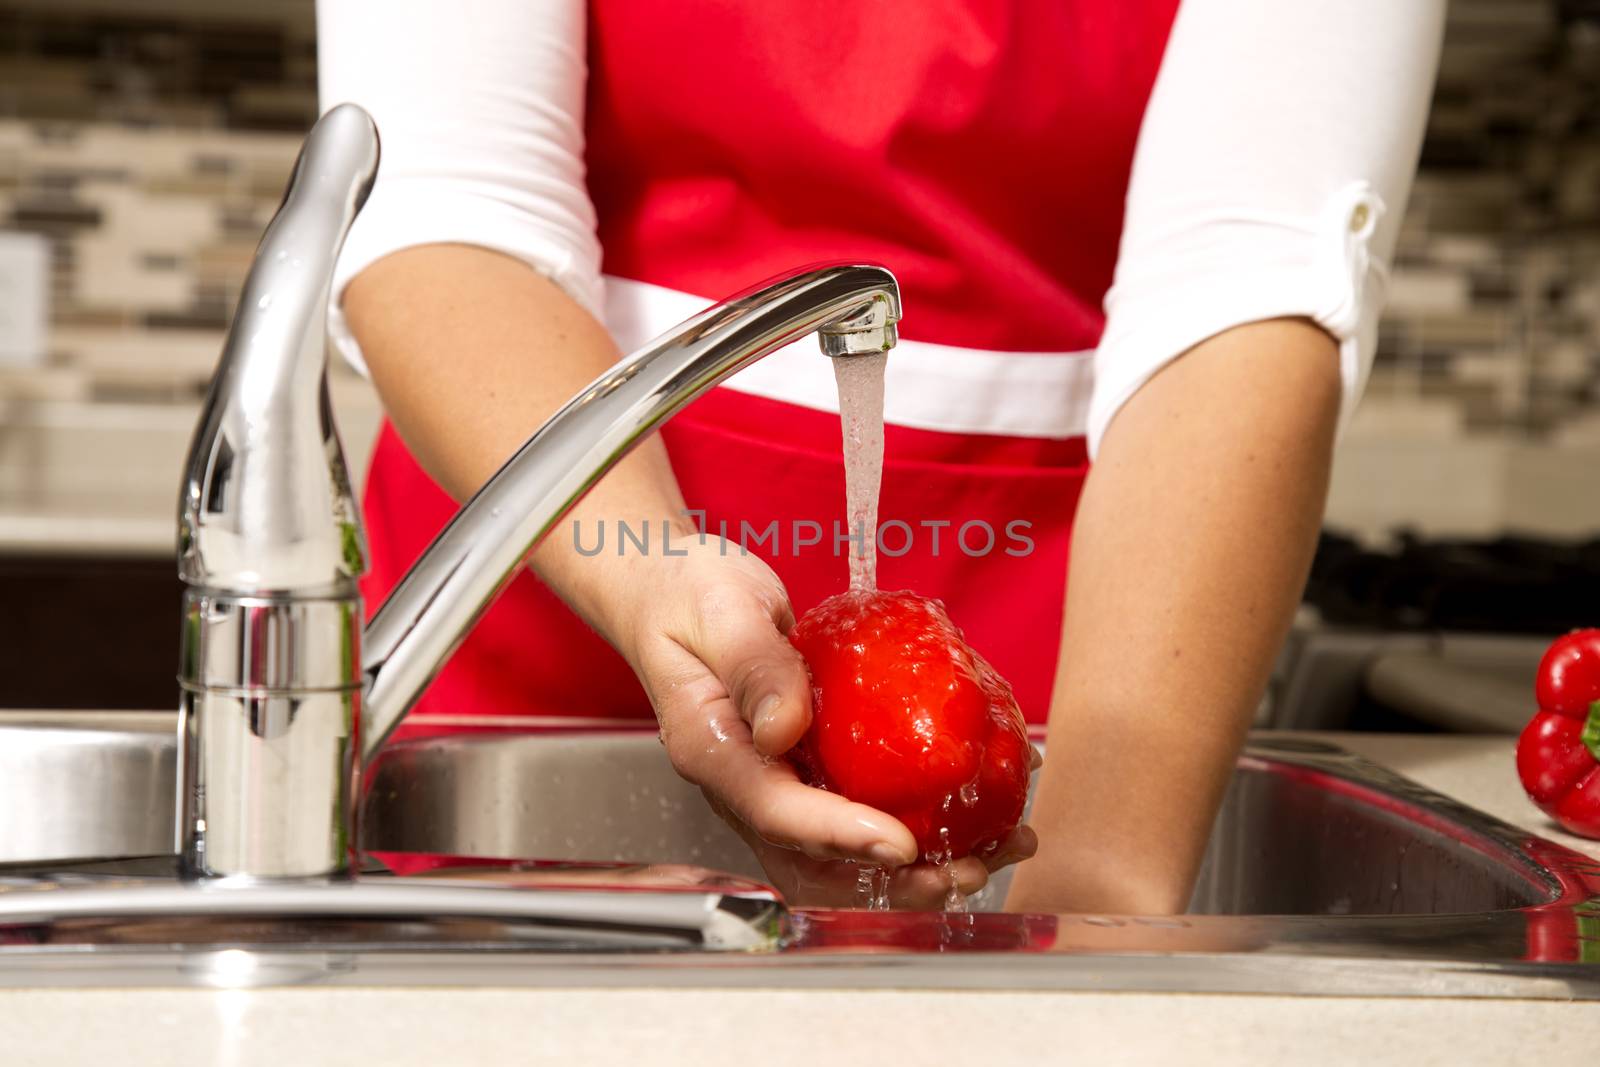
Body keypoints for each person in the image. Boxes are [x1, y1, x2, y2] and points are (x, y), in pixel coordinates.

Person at [318, 0, 1445, 911]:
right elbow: (447, 214)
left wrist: (1096, 890)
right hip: (540, 637)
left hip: (1054, 696)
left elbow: (1238, 294)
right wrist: (649, 567)